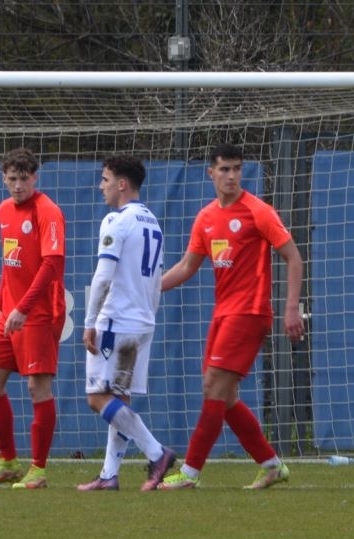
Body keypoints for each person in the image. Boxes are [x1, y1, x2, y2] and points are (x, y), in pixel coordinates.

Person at [155, 143, 306, 490]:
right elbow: (187, 266)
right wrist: (150, 290)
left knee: (214, 388)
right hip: (223, 313)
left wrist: (291, 308)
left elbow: (294, 258)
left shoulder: (258, 211)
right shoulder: (206, 217)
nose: (232, 176)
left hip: (249, 313)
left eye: (237, 168)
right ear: (211, 173)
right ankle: (271, 465)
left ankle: (189, 473)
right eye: (224, 169)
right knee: (225, 396)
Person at [76, 155, 179, 492]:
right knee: (119, 398)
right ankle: (109, 474)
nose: (100, 186)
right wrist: (149, 315)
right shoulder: (152, 222)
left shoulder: (116, 220)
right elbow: (156, 280)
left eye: (105, 180)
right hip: (142, 321)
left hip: (116, 321)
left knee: (97, 398)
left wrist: (90, 322)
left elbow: (103, 275)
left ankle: (157, 453)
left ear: (121, 184)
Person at [0, 148, 66, 490]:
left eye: (25, 178)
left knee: (37, 388)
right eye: (13, 179)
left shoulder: (47, 211)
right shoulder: (4, 210)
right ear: (4, 179)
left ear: (35, 178)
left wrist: (23, 308)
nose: (19, 185)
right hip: (10, 312)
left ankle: (37, 470)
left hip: (39, 312)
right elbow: (9, 263)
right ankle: (8, 463)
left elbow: (51, 265)